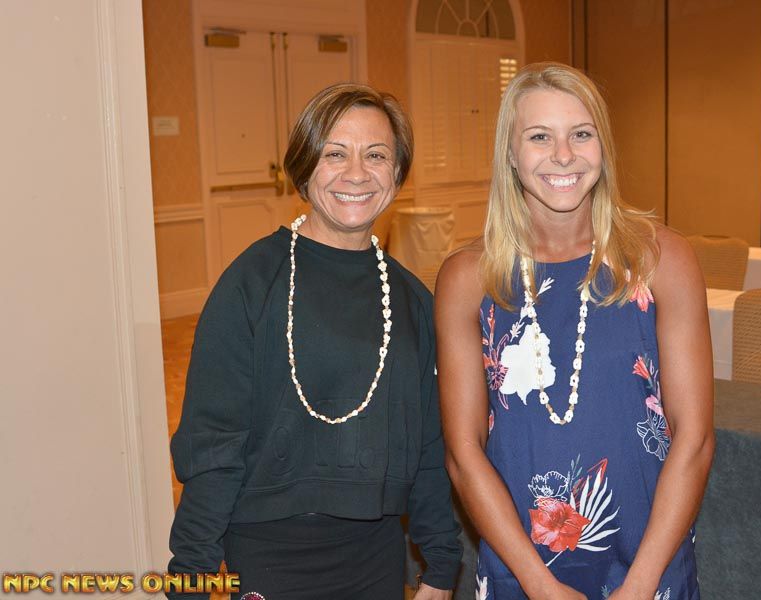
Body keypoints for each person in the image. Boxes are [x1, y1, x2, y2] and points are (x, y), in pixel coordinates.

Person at [167, 83, 461, 600]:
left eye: (376, 155)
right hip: (267, 556)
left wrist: (441, 563)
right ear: (304, 169)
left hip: (375, 558)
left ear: (397, 173)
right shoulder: (252, 284)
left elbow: (428, 448)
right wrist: (189, 576)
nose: (357, 173)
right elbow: (213, 445)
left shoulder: (412, 301)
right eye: (335, 154)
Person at [435, 63, 714, 599]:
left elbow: (695, 440)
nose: (563, 155)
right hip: (522, 568)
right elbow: (464, 456)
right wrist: (538, 585)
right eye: (540, 137)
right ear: (510, 153)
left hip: (649, 563)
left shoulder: (661, 260)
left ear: (603, 146)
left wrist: (641, 584)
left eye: (581, 134)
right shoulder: (469, 278)